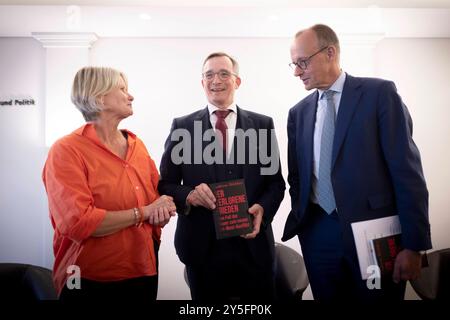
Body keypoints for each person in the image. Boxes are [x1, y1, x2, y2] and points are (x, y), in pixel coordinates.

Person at [282, 24, 432, 301]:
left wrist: (414, 245)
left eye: (302, 62)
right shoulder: (298, 113)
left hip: (375, 236)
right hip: (318, 234)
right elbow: (298, 177)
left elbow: (407, 173)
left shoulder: (379, 94)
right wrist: (306, 223)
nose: (296, 71)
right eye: (293, 63)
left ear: (330, 53)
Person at [158, 52, 285, 300]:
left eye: (224, 73)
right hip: (202, 249)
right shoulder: (182, 126)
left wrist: (263, 208)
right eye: (209, 74)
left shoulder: (262, 125)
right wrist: (190, 195)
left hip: (253, 247)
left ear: (237, 81)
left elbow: (276, 183)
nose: (216, 79)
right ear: (202, 82)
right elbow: (165, 184)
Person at [42, 67, 176, 300]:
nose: (130, 96)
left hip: (143, 269)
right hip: (87, 277)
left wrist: (162, 211)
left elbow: (156, 200)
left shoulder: (137, 145)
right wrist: (144, 212)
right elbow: (79, 222)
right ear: (99, 97)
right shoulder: (66, 151)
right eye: (122, 89)